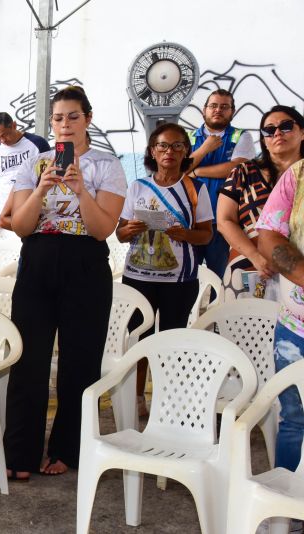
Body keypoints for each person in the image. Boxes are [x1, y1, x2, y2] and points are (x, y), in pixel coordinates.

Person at [0, 86, 126, 482]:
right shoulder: (36, 163)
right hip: (38, 261)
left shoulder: (107, 165)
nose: (65, 125)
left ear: (88, 120)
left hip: (85, 264)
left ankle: (67, 449)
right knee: (28, 360)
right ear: (51, 122)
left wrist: (80, 189)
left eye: (73, 117)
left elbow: (101, 230)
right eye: (59, 118)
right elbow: (23, 227)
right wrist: (44, 187)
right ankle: (17, 456)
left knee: (79, 363)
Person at [117, 123, 214, 416]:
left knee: (171, 341)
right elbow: (120, 233)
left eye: (176, 146)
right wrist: (128, 229)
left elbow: (206, 234)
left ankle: (168, 398)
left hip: (180, 279)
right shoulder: (138, 187)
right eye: (162, 146)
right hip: (137, 278)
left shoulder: (195, 190)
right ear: (152, 151)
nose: (168, 152)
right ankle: (137, 399)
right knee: (139, 338)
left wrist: (186, 235)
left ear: (186, 151)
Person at [218, 106, 304, 299]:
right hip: (250, 266)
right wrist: (255, 256)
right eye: (269, 130)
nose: (278, 133)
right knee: (242, 326)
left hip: (299, 269)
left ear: (302, 132)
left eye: (286, 126)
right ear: (264, 140)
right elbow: (224, 221)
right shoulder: (244, 171)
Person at [257, 158, 304, 486]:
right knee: (294, 420)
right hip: (296, 329)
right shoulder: (298, 174)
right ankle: (287, 509)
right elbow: (270, 235)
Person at [188, 89, 255, 278]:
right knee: (186, 276)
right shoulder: (187, 137)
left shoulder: (241, 136)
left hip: (221, 220)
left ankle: (216, 308)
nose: (218, 110)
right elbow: (178, 170)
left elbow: (237, 168)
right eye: (213, 106)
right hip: (190, 221)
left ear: (232, 112)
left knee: (217, 277)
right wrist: (204, 149)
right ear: (204, 110)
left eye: (224, 107)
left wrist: (197, 171)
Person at [0, 112, 49, 218]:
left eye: (5, 135)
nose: (2, 140)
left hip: (35, 211)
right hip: (6, 215)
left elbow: (49, 177)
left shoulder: (38, 144)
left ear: (14, 125)